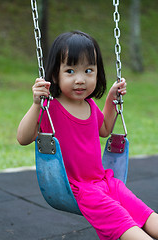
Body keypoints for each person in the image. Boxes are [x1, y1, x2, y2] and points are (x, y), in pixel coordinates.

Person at [17, 30, 158, 240]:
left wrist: (111, 99)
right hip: (80, 190)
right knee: (125, 223)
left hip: (106, 181)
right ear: (55, 74)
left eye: (89, 70)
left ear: (97, 73)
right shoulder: (51, 108)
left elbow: (104, 130)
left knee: (144, 213)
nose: (80, 80)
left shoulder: (90, 105)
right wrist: (37, 104)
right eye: (71, 71)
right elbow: (23, 137)